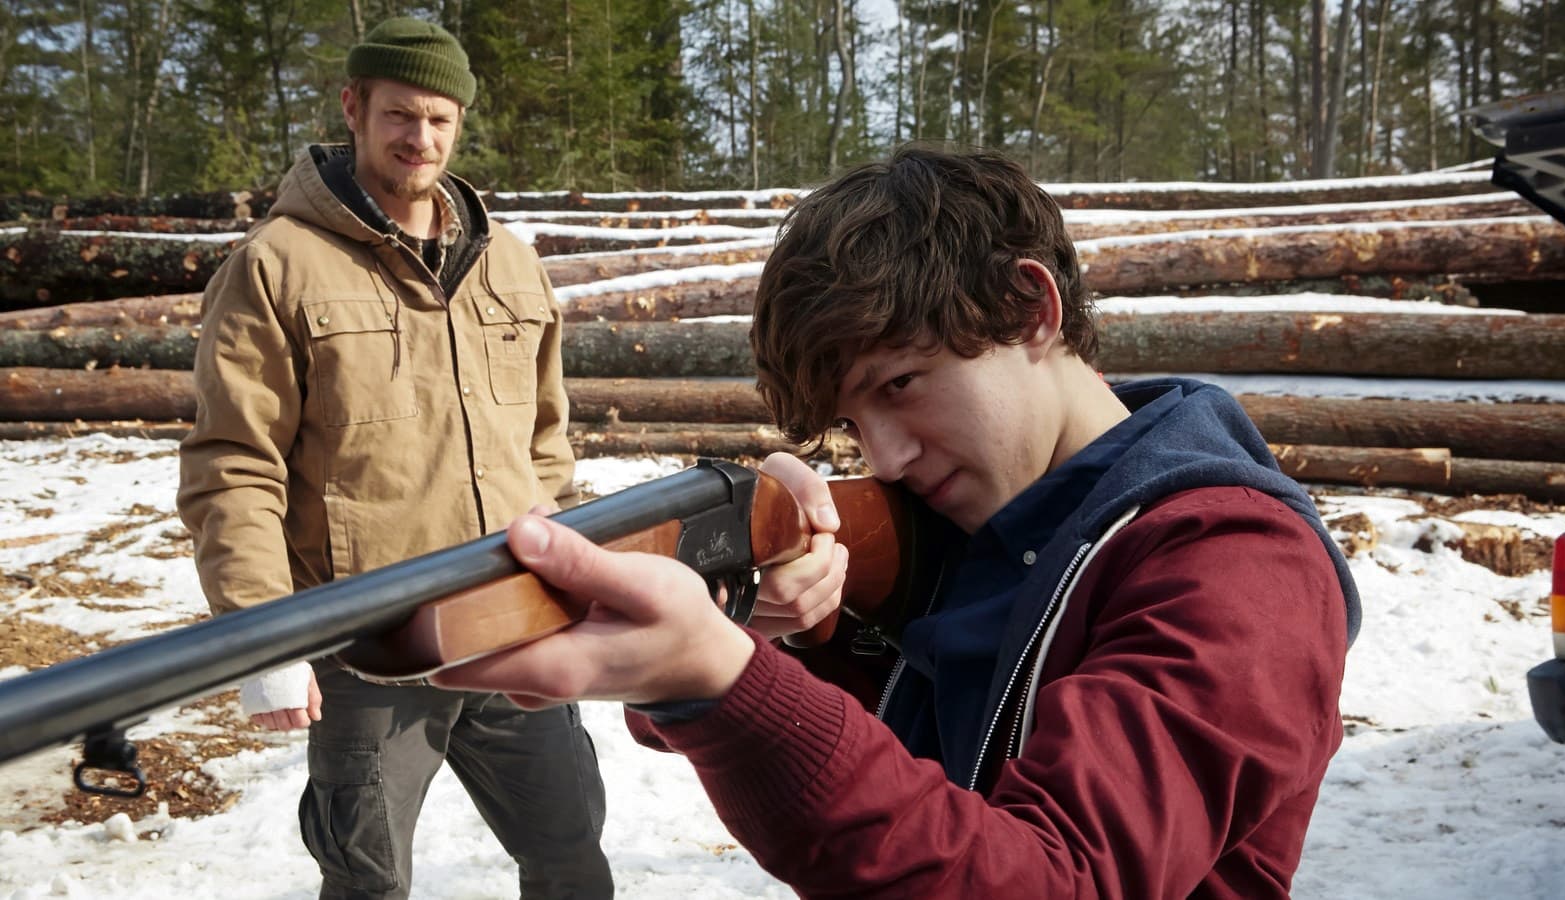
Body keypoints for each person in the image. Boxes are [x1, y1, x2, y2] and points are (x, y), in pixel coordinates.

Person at [429, 146, 1360, 897]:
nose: (888, 457)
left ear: (1034, 310)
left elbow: (1054, 879)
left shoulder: (1236, 567)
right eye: (850, 423)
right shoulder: (984, 517)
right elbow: (922, 741)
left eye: (902, 386)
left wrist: (725, 684)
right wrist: (791, 624)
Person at [176, 17, 612, 900]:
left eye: (440, 121)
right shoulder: (278, 265)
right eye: (400, 115)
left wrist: (568, 573)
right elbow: (235, 462)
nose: (421, 139)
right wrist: (266, 640)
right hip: (368, 647)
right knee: (367, 880)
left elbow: (545, 439)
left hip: (514, 616)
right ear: (354, 108)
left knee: (571, 853)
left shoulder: (511, 265)